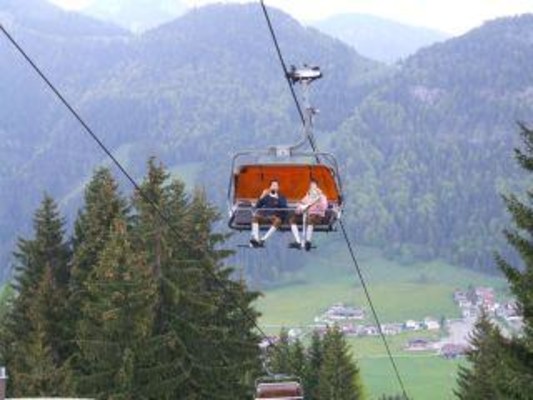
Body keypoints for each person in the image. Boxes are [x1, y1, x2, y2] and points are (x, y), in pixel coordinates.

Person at [289, 179, 328, 251]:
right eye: (311, 186)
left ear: (317, 187)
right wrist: (299, 209)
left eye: (314, 186)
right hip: (306, 215)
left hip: (316, 215)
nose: (312, 187)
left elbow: (324, 207)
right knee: (292, 219)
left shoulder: (322, 196)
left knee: (311, 219)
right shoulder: (307, 196)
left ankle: (308, 241)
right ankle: (298, 241)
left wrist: (318, 202)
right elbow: (301, 205)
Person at [250, 179, 287, 247]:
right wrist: (262, 196)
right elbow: (257, 206)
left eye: (276, 185)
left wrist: (277, 199)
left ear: (278, 188)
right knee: (255, 217)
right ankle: (256, 239)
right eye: (273, 185)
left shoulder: (281, 197)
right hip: (265, 215)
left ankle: (263, 239)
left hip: (274, 216)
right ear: (270, 187)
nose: (274, 187)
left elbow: (284, 207)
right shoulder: (266, 197)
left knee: (278, 221)